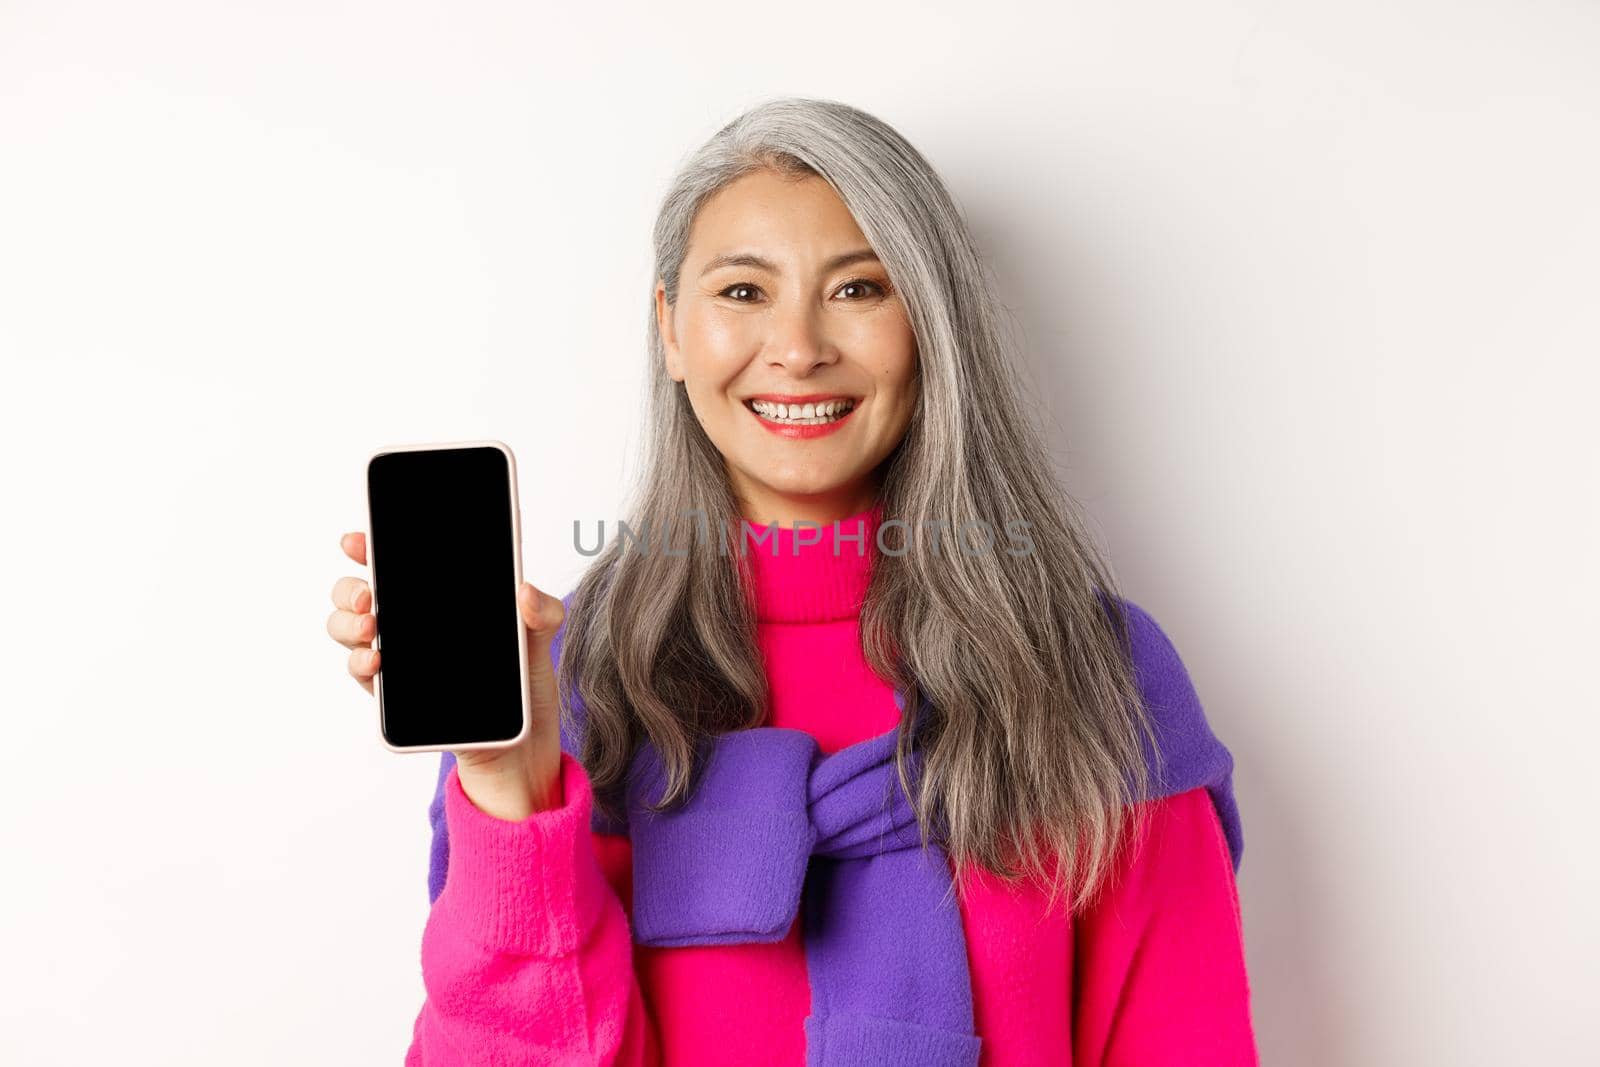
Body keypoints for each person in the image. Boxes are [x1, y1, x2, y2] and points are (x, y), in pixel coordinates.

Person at [327, 96, 1258, 1066]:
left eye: (858, 289)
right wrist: (506, 783)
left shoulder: (1094, 671)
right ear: (671, 330)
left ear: (930, 327)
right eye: (741, 292)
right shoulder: (562, 682)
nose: (800, 347)